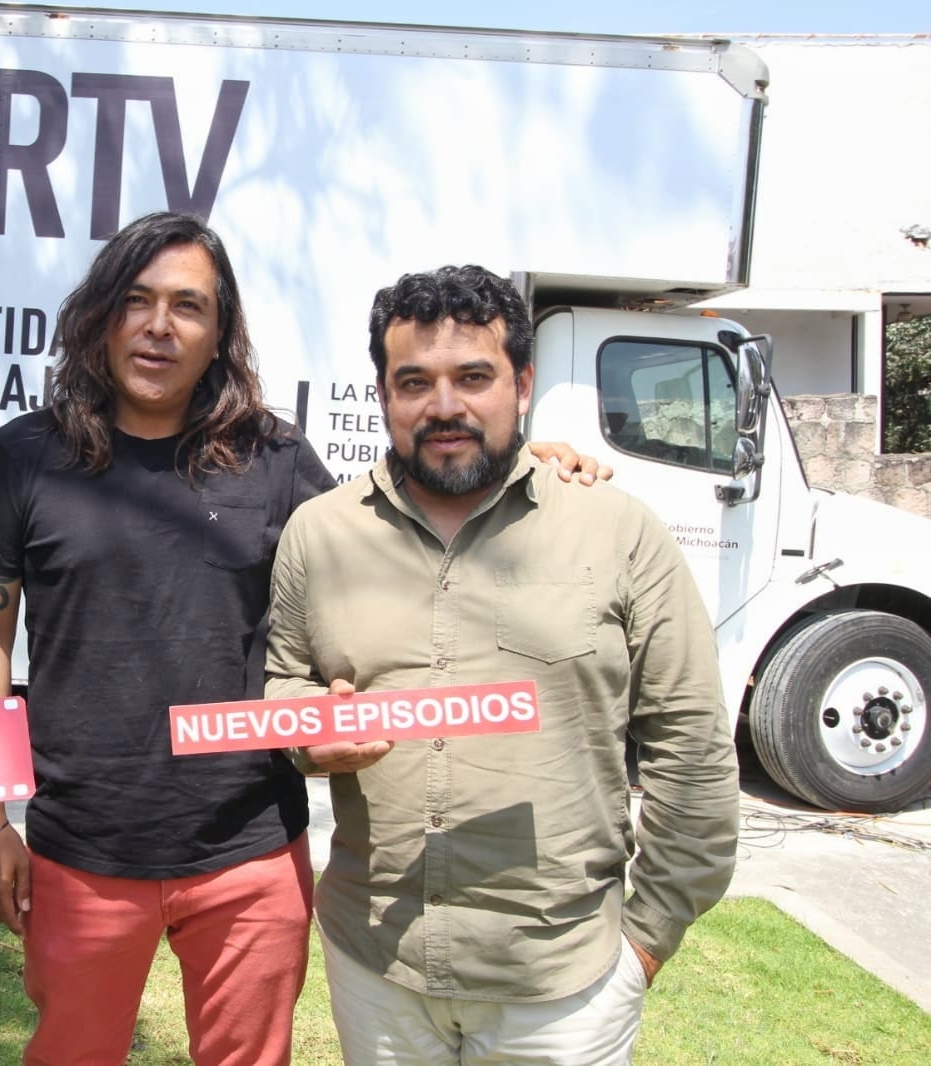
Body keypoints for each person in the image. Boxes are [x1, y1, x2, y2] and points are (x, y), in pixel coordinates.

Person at [0, 213, 605, 1066]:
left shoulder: (272, 455)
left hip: (249, 849)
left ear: (219, 330)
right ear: (100, 315)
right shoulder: (24, 457)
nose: (158, 326)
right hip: (81, 848)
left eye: (188, 306)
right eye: (136, 300)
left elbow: (395, 520)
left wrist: (517, 457)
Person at [264, 264, 740, 1065]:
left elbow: (690, 747)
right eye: (413, 381)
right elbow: (283, 682)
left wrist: (646, 941)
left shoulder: (617, 532)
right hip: (375, 965)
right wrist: (306, 733)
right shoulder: (318, 533)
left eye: (472, 377)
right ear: (382, 394)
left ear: (521, 385)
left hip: (564, 984)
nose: (443, 405)